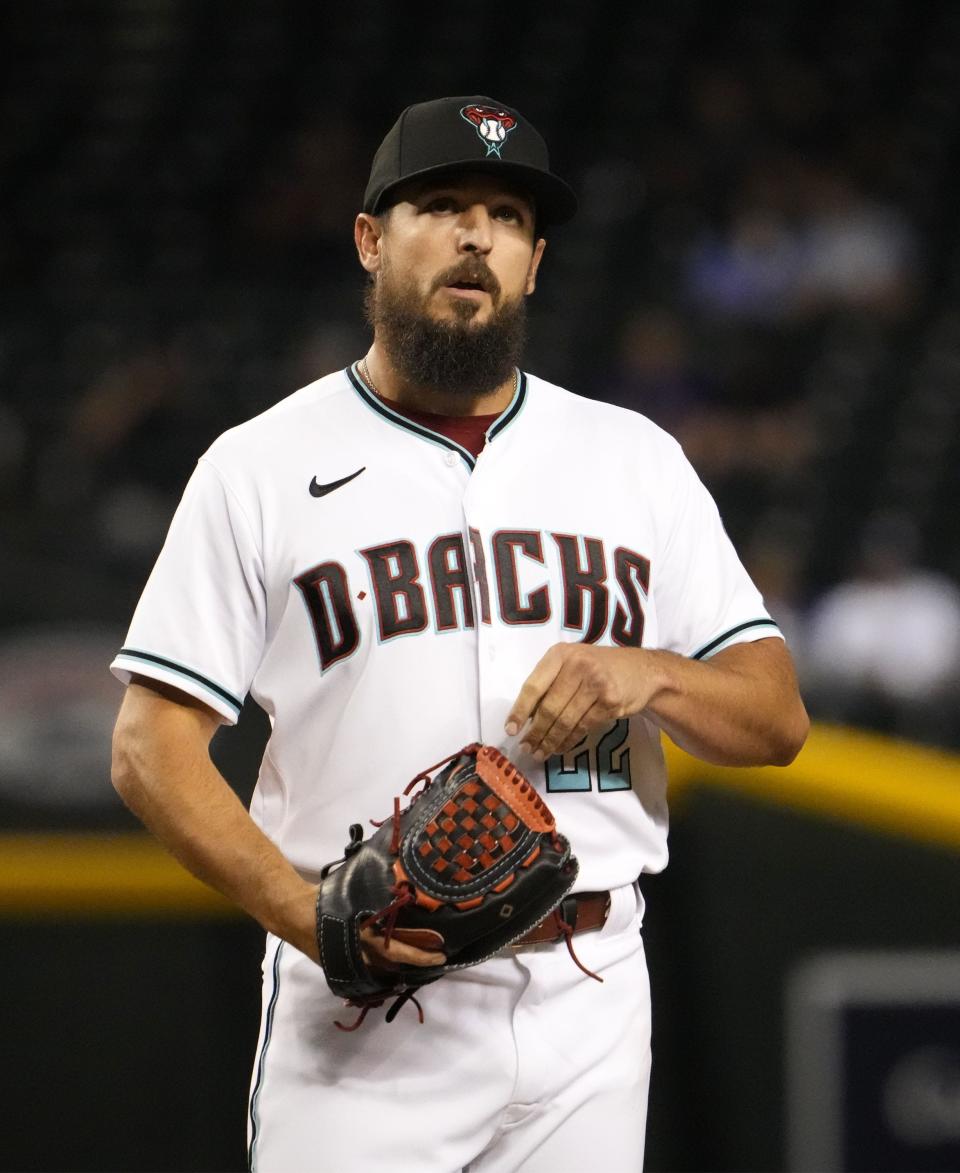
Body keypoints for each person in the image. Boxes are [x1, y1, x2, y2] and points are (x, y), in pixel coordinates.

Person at [110, 95, 809, 1173]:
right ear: (368, 239)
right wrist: (307, 918)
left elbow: (774, 718)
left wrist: (651, 674)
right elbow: (149, 749)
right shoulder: (257, 467)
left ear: (535, 262)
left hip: (593, 988)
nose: (476, 233)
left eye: (508, 214)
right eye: (439, 204)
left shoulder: (634, 459)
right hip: (366, 1014)